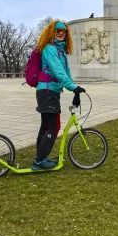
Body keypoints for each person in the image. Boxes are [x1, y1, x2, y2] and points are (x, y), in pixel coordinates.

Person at [31, 20, 85, 170]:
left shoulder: (61, 51)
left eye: (63, 31)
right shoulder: (50, 49)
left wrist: (74, 90)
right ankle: (39, 161)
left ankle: (40, 157)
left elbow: (65, 73)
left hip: (51, 92)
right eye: (58, 30)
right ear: (51, 32)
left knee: (46, 126)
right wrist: (73, 87)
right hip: (47, 92)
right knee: (54, 126)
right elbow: (57, 71)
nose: (61, 32)